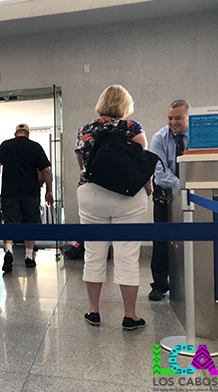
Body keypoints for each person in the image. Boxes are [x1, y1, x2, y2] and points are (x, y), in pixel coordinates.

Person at [75, 84, 149, 330]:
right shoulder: (133, 128)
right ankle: (130, 315)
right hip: (127, 196)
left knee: (93, 253)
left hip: (91, 193)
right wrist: (148, 189)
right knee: (127, 254)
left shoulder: (86, 130)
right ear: (125, 105)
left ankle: (93, 311)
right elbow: (141, 163)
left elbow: (82, 166)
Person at [0, 123, 54, 272]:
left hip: (10, 192)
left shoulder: (6, 145)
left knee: (9, 223)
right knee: (30, 224)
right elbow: (46, 170)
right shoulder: (35, 147)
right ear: (28, 134)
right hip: (30, 192)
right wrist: (49, 191)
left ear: (15, 134)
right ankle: (29, 257)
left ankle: (8, 251)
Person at [148, 99, 190, 301]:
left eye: (178, 118)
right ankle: (159, 284)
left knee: (194, 238)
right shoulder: (159, 137)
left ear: (187, 117)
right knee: (161, 238)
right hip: (165, 194)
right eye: (170, 118)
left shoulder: (198, 136)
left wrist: (191, 188)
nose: (173, 122)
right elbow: (161, 173)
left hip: (195, 195)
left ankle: (191, 282)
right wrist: (184, 185)